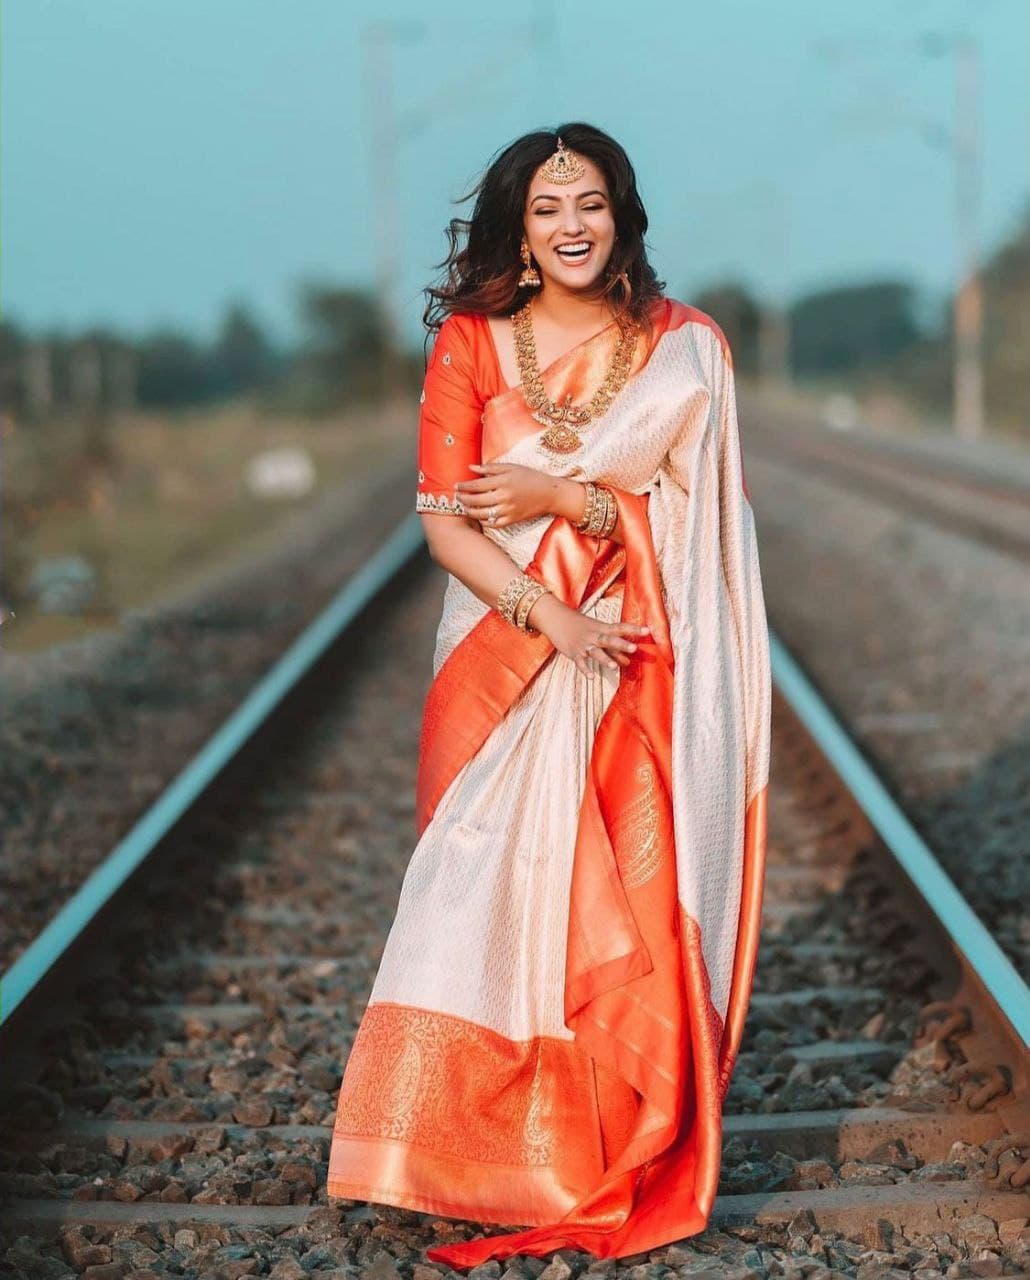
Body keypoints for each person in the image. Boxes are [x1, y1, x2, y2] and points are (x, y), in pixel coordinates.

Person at [326, 122, 771, 1268]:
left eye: (590, 203)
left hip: (637, 660)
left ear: (621, 215)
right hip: (505, 656)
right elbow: (443, 525)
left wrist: (572, 501)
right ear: (518, 233)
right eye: (547, 208)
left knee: (618, 892)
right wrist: (551, 615)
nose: (572, 226)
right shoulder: (473, 342)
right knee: (474, 875)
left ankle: (595, 1146)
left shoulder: (683, 348)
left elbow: (708, 522)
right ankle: (444, 1147)